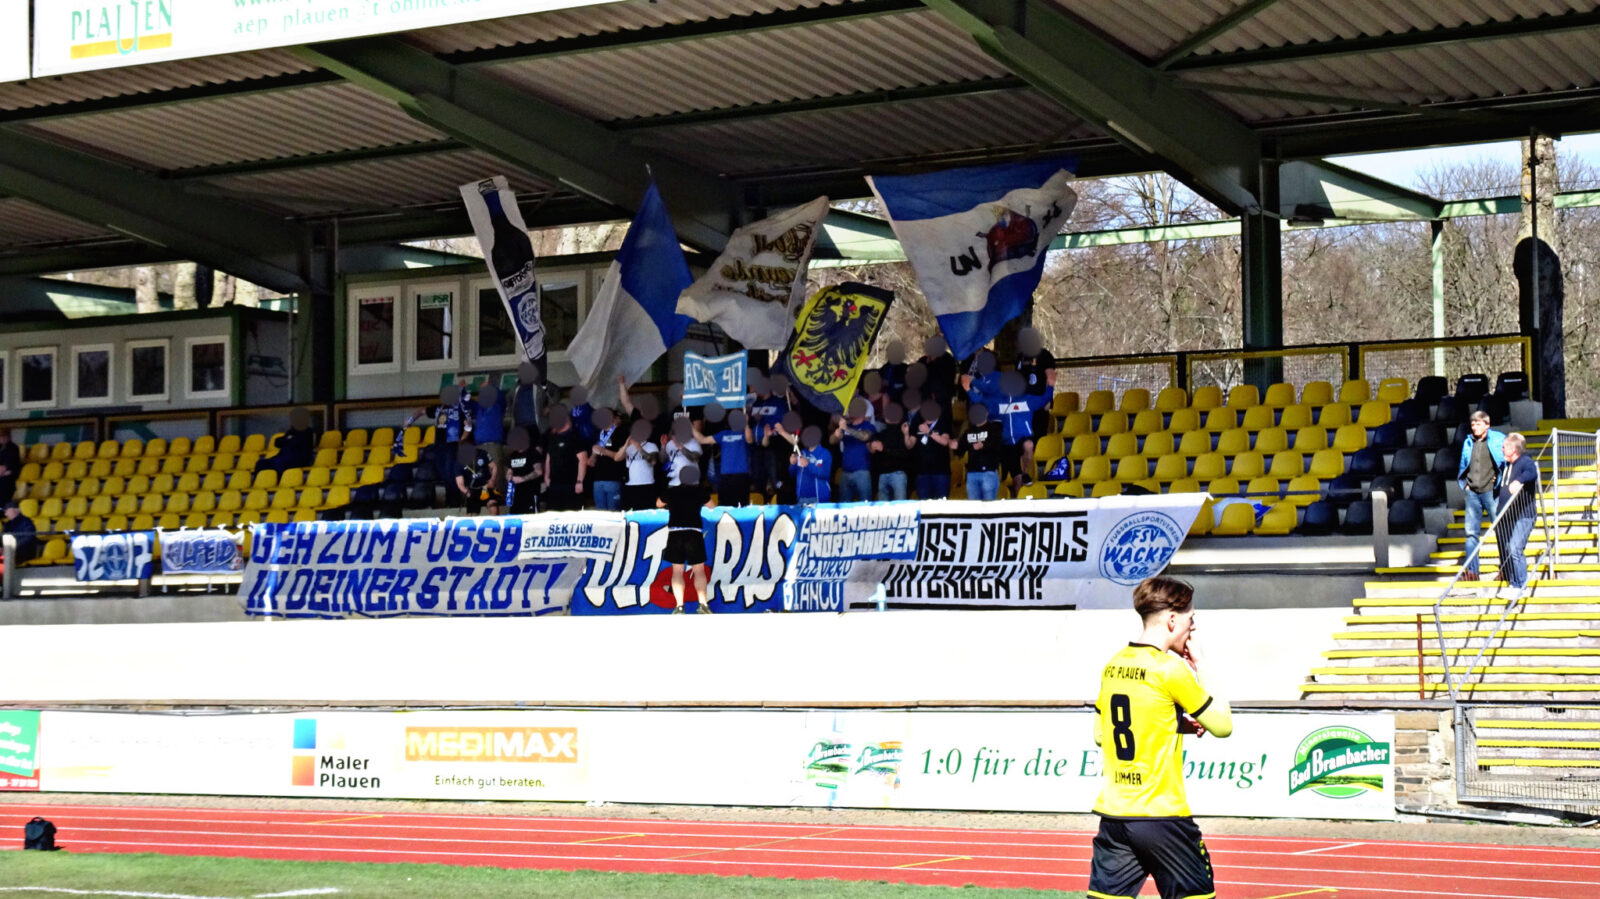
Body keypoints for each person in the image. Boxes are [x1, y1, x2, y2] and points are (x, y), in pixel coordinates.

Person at [1090, 576, 1233, 899]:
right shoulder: (1170, 669)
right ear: (1172, 619)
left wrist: (1172, 723)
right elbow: (1222, 725)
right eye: (1190, 619)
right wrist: (1201, 665)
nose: (1191, 628)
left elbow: (1102, 734)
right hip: (1161, 815)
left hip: (1115, 815)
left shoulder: (1113, 665)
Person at [968, 368, 1056, 493]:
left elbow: (1044, 399)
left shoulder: (1027, 399)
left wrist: (1050, 385)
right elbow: (981, 401)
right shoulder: (998, 402)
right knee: (1017, 479)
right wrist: (968, 390)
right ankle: (1016, 497)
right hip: (1006, 443)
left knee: (1029, 445)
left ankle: (1026, 473)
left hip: (1022, 439)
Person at [658, 463, 714, 614]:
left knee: (677, 571)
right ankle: (703, 604)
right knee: (699, 570)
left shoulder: (672, 491)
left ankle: (679, 606)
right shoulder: (699, 492)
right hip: (694, 533)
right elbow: (712, 506)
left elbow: (658, 503)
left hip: (675, 533)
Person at [1456, 411, 1504, 582]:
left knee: (1501, 530)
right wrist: (1466, 485)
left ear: (1487, 424)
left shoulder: (1498, 439)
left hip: (1491, 491)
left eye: (1478, 423)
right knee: (1471, 534)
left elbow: (1505, 460)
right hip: (1473, 493)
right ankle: (1472, 572)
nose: (1475, 426)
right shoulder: (1468, 442)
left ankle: (1506, 568)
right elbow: (1464, 463)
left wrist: (1499, 479)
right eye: (1473, 424)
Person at [1493, 432, 1539, 602]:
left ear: (1513, 449)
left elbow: (1532, 472)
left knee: (1514, 548)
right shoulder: (1505, 466)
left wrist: (1519, 481)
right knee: (1507, 550)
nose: (1502, 449)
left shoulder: (1525, 461)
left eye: (1504, 446)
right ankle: (1513, 584)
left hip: (1523, 515)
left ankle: (1521, 585)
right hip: (1507, 516)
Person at [542, 404, 588, 512]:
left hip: (571, 485)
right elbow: (549, 458)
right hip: (554, 485)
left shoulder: (576, 436)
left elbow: (582, 460)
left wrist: (579, 481)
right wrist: (546, 477)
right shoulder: (552, 438)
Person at [832, 399, 877, 503]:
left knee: (865, 505)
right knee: (844, 506)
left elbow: (865, 437)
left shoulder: (868, 426)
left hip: (862, 472)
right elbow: (832, 441)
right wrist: (836, 435)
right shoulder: (848, 426)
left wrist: (847, 429)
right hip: (845, 472)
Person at [910, 399, 955, 500]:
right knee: (924, 507)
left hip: (940, 471)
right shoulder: (918, 425)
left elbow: (945, 441)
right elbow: (910, 445)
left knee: (941, 506)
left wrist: (929, 432)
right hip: (922, 471)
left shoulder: (943, 423)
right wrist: (905, 434)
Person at [958, 402, 1003, 500]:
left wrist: (983, 445)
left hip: (988, 472)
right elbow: (960, 450)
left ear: (986, 413)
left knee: (989, 508)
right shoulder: (968, 431)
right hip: (972, 473)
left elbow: (998, 446)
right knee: (974, 509)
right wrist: (954, 445)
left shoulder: (994, 428)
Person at [871, 402, 915, 502]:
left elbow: (904, 454)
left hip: (898, 474)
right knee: (883, 511)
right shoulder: (881, 434)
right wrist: (872, 447)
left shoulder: (903, 433)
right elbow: (874, 452)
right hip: (882, 474)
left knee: (900, 508)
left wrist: (884, 449)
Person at [472, 383, 508, 492]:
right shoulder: (478, 407)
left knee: (497, 473)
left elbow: (501, 396)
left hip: (493, 445)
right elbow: (466, 401)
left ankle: (500, 498)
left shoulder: (498, 405)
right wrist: (461, 389)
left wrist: (491, 387)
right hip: (479, 447)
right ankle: (485, 499)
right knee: (482, 474)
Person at [714, 410, 754, 507]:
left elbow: (750, 439)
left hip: (740, 476)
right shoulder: (723, 434)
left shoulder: (744, 432)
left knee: (742, 505)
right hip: (725, 477)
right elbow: (703, 440)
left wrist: (746, 423)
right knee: (725, 506)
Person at [589, 408, 626, 512]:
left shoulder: (620, 432)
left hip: (613, 478)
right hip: (598, 479)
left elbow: (621, 456)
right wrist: (592, 458)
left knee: (613, 513)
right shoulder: (598, 432)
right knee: (600, 513)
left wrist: (604, 451)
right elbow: (596, 449)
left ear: (612, 418)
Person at [619, 420, 660, 511]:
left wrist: (638, 447)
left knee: (647, 512)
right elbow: (617, 458)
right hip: (630, 485)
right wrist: (626, 444)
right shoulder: (628, 447)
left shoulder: (651, 446)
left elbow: (653, 461)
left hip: (647, 485)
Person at [505, 427, 542, 515]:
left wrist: (522, 479)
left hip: (530, 492)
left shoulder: (533, 453)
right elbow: (509, 471)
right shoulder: (513, 455)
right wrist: (509, 476)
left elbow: (539, 471)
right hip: (515, 495)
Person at [791, 425, 832, 504]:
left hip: (819, 499)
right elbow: (792, 473)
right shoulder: (802, 453)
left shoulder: (825, 453)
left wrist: (808, 464)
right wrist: (792, 464)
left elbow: (824, 473)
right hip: (801, 499)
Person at [455, 442, 496, 515]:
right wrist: (466, 492)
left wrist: (492, 479)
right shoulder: (459, 462)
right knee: (472, 515)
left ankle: (494, 525)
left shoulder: (482, 453)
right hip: (472, 490)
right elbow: (460, 483)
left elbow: (494, 467)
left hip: (485, 487)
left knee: (493, 507)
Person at [1, 502, 39, 571]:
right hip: (9, 551)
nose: (6, 514)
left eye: (7, 511)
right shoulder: (7, 524)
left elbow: (28, 538)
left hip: (23, 551)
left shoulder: (26, 522)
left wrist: (12, 547)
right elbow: (2, 537)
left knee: (7, 557)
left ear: (15, 510)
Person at [0, 429, 20, 506]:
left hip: (7, 482)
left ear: (8, 437)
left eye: (3, 437)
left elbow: (5, 467)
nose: (2, 439)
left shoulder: (13, 448)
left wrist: (3, 470)